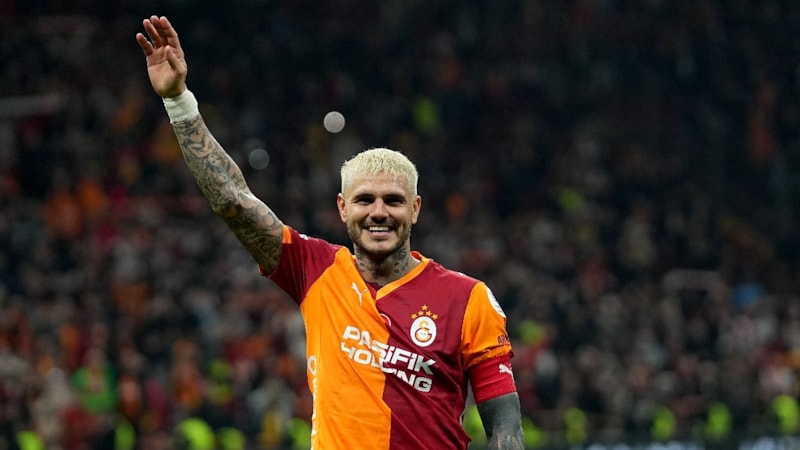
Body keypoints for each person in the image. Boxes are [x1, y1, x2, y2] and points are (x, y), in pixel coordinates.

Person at [136, 15, 524, 450]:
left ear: (415, 209)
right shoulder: (316, 269)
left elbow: (506, 431)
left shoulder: (467, 298)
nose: (379, 213)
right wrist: (178, 101)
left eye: (394, 201)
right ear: (342, 208)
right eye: (365, 200)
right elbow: (234, 201)